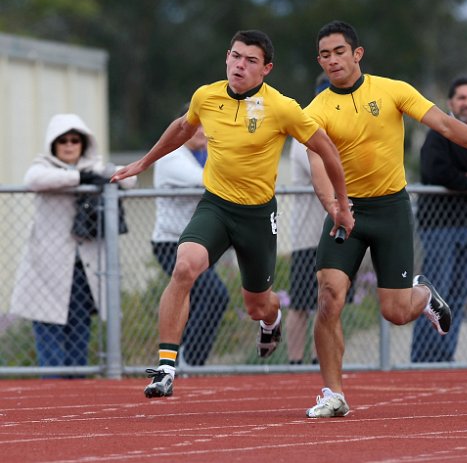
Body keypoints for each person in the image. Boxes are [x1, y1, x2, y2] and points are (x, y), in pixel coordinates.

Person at [111, 29, 354, 398]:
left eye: (251, 60)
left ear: (266, 68)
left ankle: (271, 320)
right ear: (227, 57)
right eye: (236, 56)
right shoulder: (206, 96)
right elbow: (182, 128)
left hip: (257, 216)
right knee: (184, 267)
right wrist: (141, 163)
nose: (240, 65)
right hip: (217, 206)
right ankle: (165, 367)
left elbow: (326, 149)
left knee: (256, 304)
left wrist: (342, 203)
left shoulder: (283, 108)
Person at [303, 20, 467, 418]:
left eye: (339, 52)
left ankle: (422, 294)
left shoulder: (393, 90)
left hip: (391, 210)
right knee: (329, 298)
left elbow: (445, 124)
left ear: (357, 54)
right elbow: (316, 162)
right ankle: (333, 393)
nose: (332, 60)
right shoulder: (315, 110)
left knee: (396, 313)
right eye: (324, 54)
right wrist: (334, 205)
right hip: (345, 211)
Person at [10, 113, 137, 373]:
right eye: (63, 141)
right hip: (46, 272)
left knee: (79, 341)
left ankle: (75, 403)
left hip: (83, 272)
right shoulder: (43, 166)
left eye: (75, 140)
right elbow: (34, 179)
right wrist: (81, 179)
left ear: (83, 143)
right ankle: (50, 403)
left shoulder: (95, 166)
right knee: (51, 346)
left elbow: (131, 178)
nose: (69, 145)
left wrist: (98, 174)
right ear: (53, 145)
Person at [411, 77, 467, 362]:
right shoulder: (438, 134)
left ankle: (446, 356)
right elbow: (436, 171)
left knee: (459, 296)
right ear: (451, 103)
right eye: (462, 98)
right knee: (436, 296)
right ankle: (424, 359)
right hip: (439, 228)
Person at [151, 120, 230, 366]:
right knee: (215, 294)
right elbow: (208, 180)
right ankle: (188, 360)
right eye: (195, 127)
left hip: (200, 243)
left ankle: (188, 362)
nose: (202, 132)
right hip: (171, 243)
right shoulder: (172, 157)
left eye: (206, 127)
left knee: (197, 301)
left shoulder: (207, 154)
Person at [286, 74, 331, 365]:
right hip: (306, 236)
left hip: (330, 233)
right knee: (301, 303)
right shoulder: (305, 135)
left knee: (327, 300)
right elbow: (325, 172)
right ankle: (295, 360)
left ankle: (320, 358)